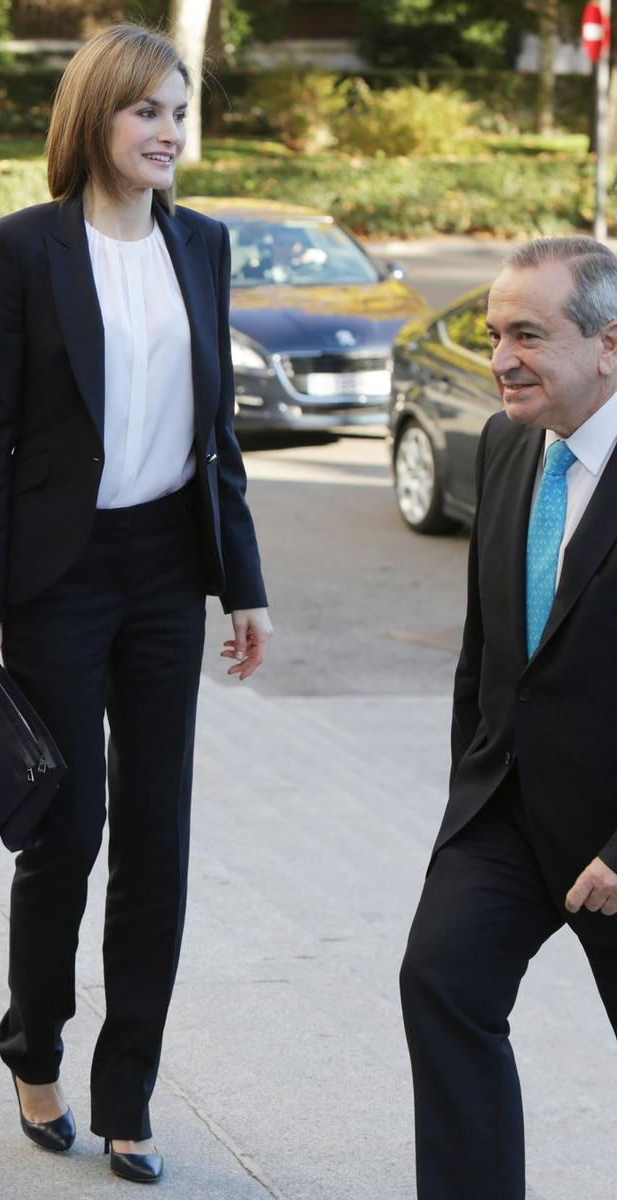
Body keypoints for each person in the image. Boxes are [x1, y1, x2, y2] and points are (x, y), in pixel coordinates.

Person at [0, 23, 271, 1185]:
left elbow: (217, 435)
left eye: (180, 112)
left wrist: (243, 582)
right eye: (148, 112)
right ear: (96, 119)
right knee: (68, 832)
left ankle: (127, 1095)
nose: (170, 133)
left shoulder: (206, 246)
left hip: (159, 575)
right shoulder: (25, 249)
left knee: (158, 841)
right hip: (54, 578)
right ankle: (33, 1049)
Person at [399, 236, 617, 1200]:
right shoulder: (502, 444)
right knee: (441, 985)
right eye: (493, 335)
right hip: (506, 810)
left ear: (609, 345)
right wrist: (466, 798)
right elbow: (486, 650)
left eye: (527, 335)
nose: (497, 359)